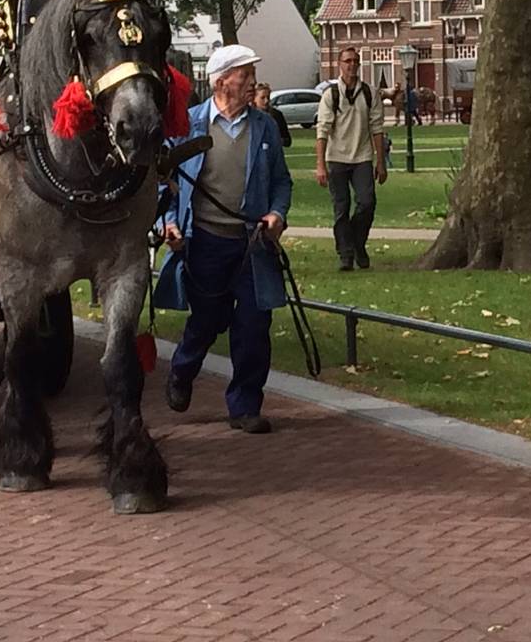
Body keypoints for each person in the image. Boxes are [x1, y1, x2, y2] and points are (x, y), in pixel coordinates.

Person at [153, 44, 293, 435]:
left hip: (252, 244)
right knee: (207, 320)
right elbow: (166, 184)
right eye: (243, 75)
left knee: (253, 323)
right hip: (205, 242)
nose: (251, 82)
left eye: (251, 75)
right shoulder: (190, 125)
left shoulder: (264, 127)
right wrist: (168, 222)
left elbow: (282, 182)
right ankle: (182, 370)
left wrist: (277, 215)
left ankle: (245, 405)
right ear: (220, 81)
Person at [315, 45, 387, 271]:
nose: (352, 65)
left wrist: (381, 162)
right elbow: (322, 131)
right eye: (348, 61)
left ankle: (357, 243)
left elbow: (377, 128)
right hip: (337, 158)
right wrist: (320, 165)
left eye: (356, 61)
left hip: (362, 157)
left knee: (367, 202)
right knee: (341, 207)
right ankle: (346, 254)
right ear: (340, 64)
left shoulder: (369, 93)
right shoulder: (331, 95)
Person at [252, 82, 291, 148]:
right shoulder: (249, 116)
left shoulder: (276, 115)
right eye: (262, 98)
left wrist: (275, 140)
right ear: (254, 98)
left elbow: (288, 141)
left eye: (268, 97)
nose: (266, 100)